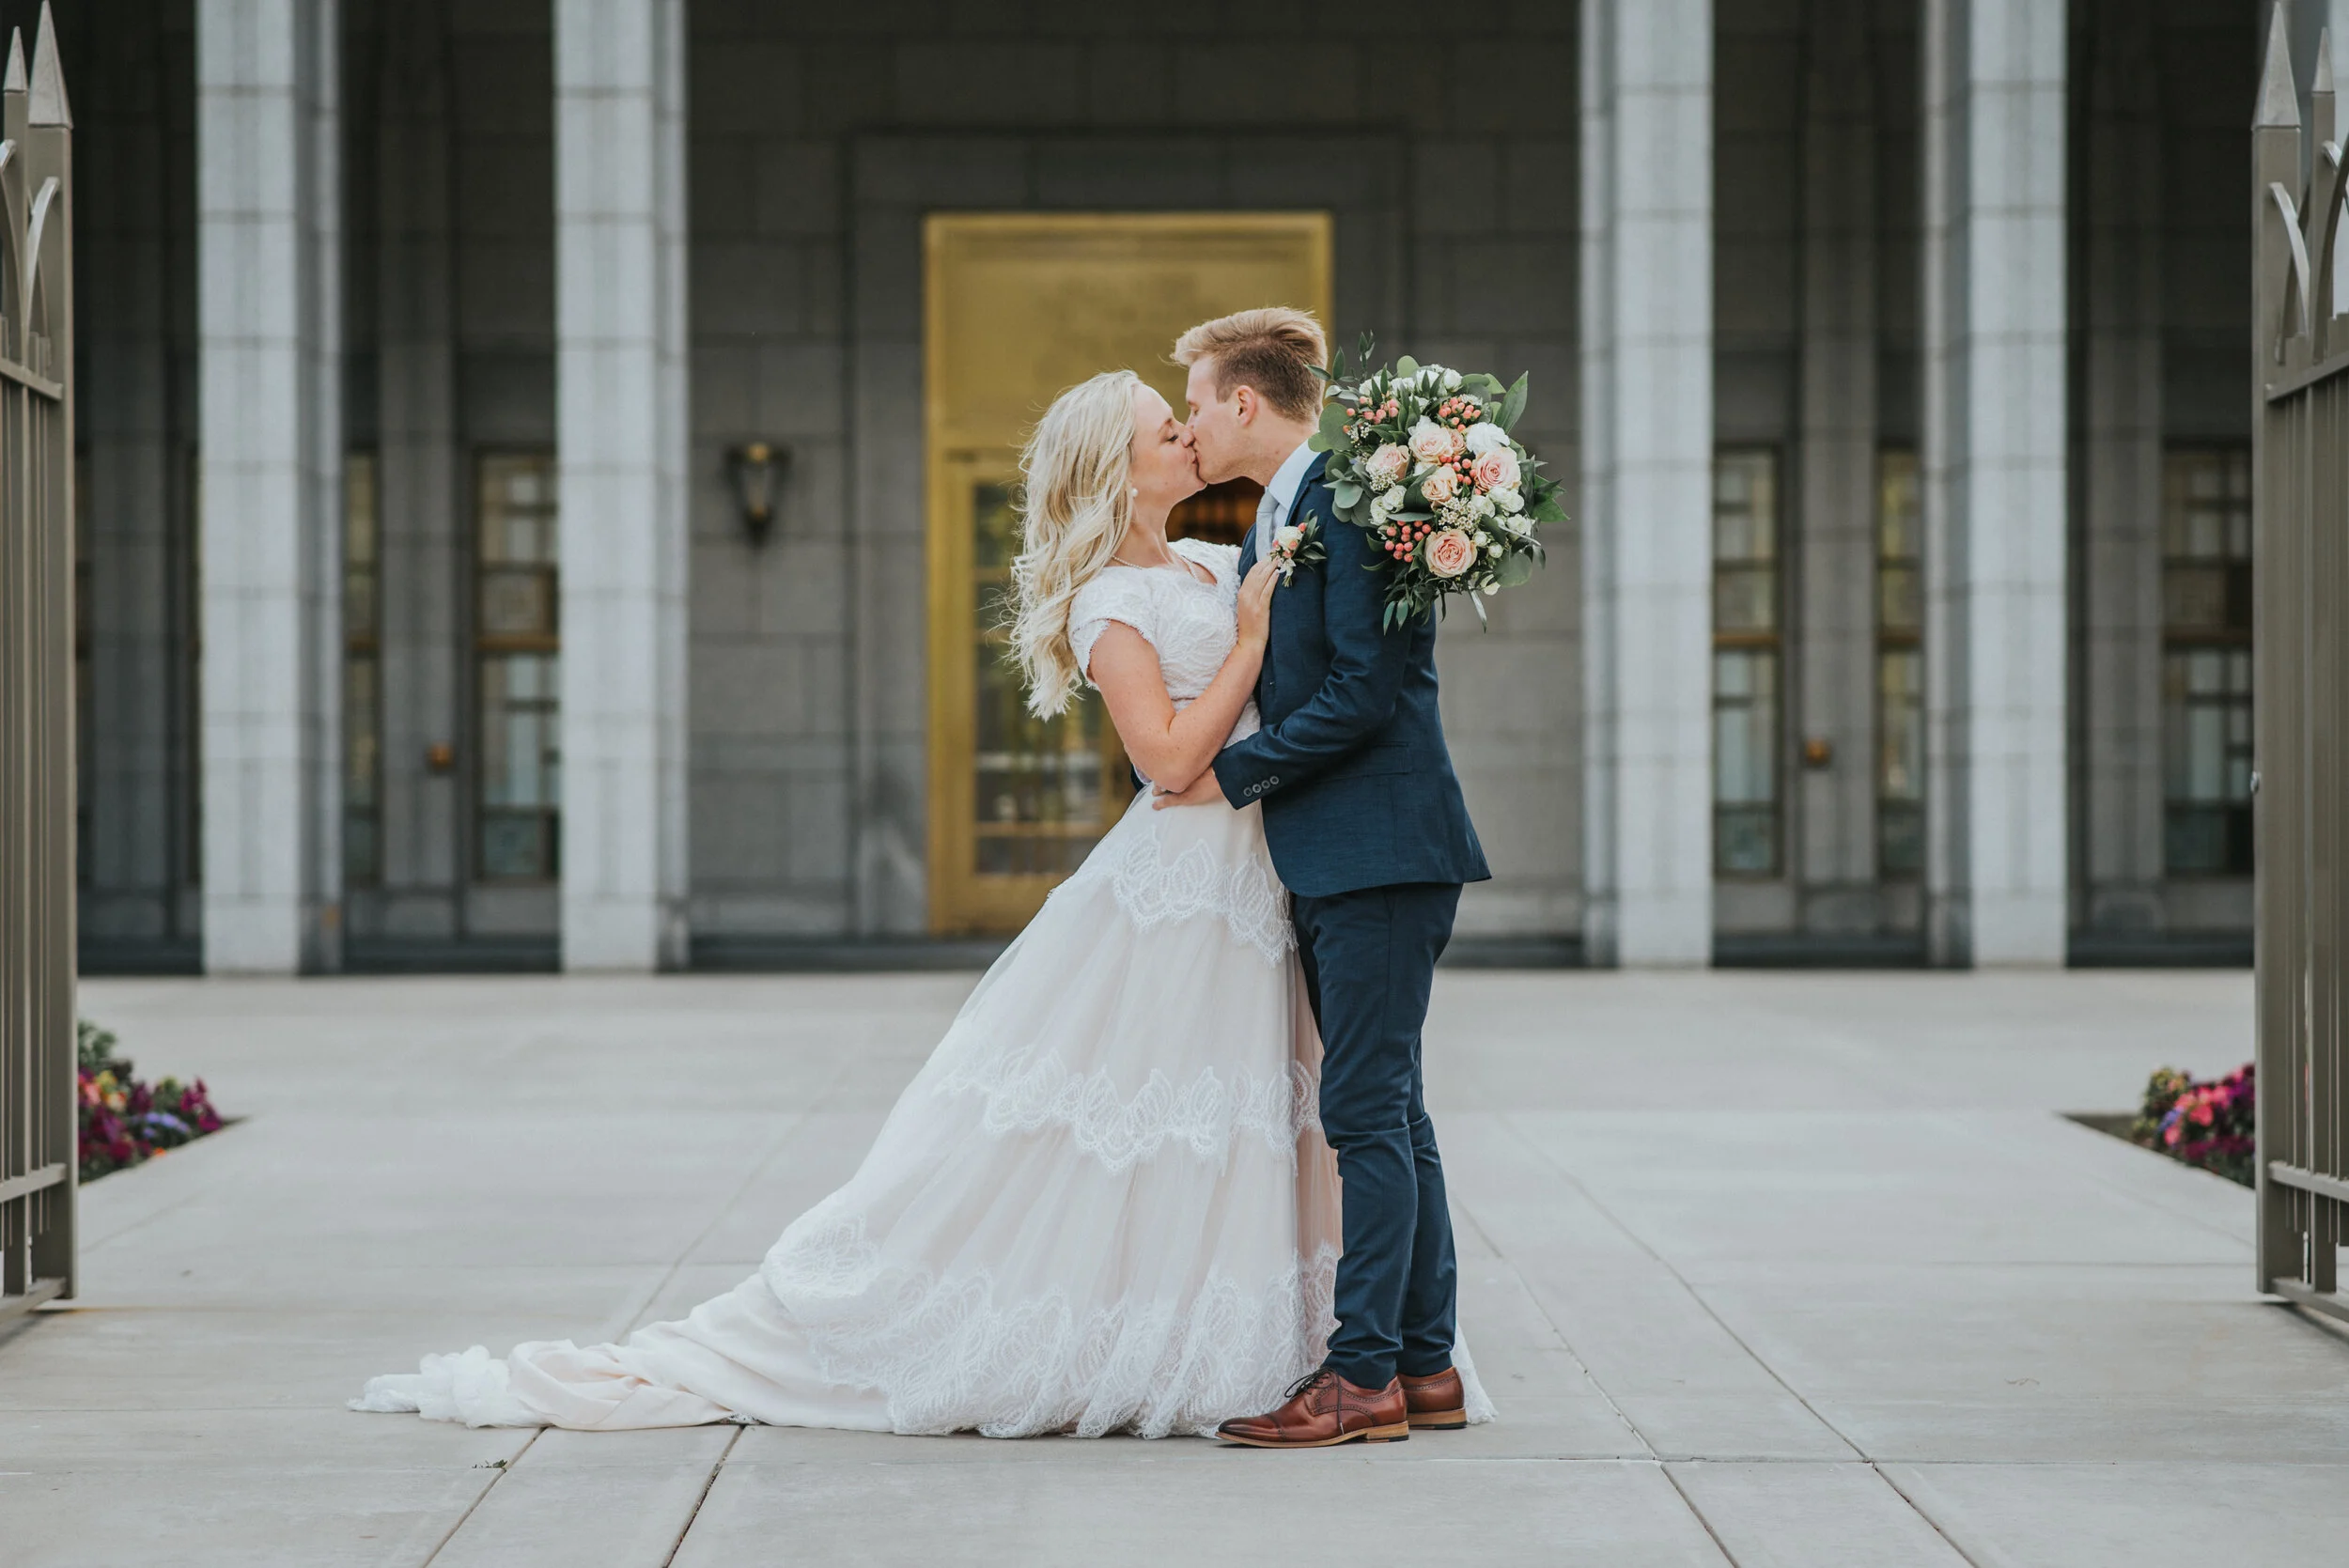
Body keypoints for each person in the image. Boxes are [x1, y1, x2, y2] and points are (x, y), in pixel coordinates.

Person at [351, 363, 1492, 1441]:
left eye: (1184, 414)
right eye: (1164, 427)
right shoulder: (1111, 600)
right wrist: (1245, 644)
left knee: (1267, 1112)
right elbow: (1168, 764)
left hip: (1262, 879)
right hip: (1183, 880)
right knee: (1148, 1115)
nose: (1184, 434)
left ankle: (1338, 1348)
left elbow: (1343, 668)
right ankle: (1203, 1341)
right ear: (1118, 466)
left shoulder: (1220, 552)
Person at [1156, 307, 1491, 1449]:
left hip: (1382, 846)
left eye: (1195, 403)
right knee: (1392, 1103)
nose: (1189, 424)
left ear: (1243, 402)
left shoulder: (1347, 499)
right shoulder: (1277, 512)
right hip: (1344, 849)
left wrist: (1227, 776)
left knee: (1362, 1109)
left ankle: (1360, 1382)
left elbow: (1364, 691)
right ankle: (1425, 1365)